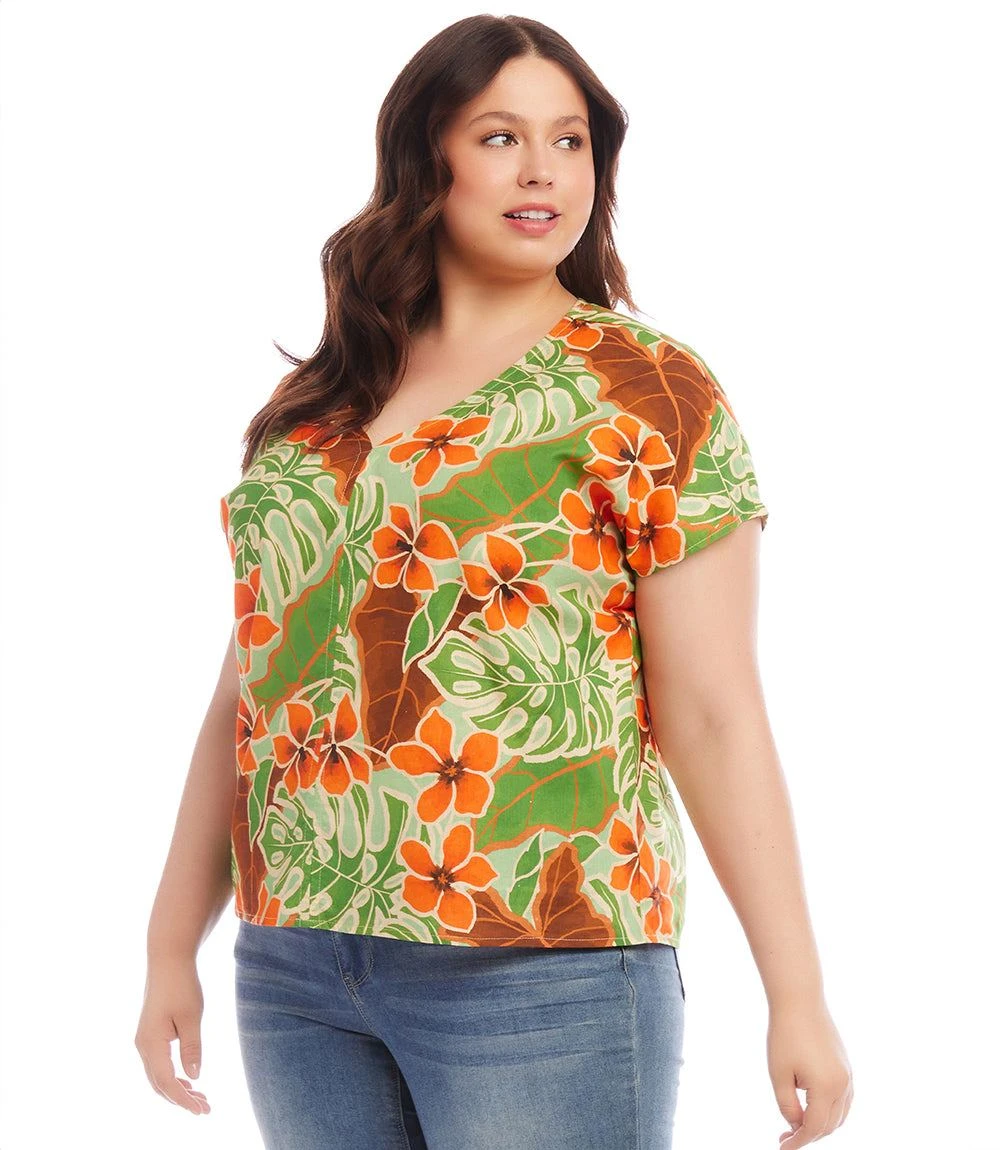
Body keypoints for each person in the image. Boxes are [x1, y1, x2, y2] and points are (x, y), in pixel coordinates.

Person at [135, 14, 853, 1149]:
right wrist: (171, 940)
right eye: (501, 137)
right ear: (425, 158)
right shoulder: (318, 405)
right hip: (296, 968)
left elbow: (713, 710)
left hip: (540, 968)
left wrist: (796, 991)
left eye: (570, 141)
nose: (542, 171)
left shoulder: (646, 389)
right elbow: (251, 690)